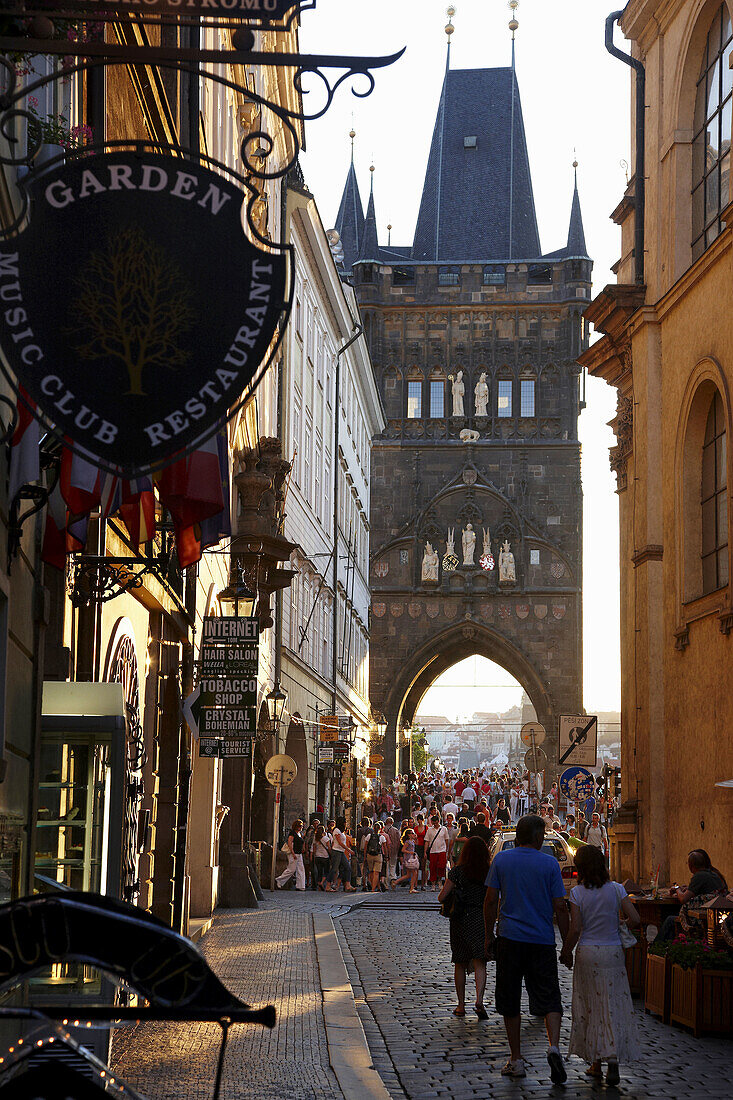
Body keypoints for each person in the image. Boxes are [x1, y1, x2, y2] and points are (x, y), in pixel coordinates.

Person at [484, 814, 570, 1083]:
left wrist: (488, 935)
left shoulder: (502, 860)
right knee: (550, 997)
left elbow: (490, 901)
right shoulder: (550, 864)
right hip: (542, 940)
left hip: (510, 938)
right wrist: (567, 944)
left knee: (510, 1000)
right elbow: (560, 906)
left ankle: (516, 1058)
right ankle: (553, 1046)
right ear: (537, 837)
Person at [561, 844, 641, 1086]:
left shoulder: (577, 893)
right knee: (612, 1004)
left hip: (588, 953)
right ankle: (612, 1059)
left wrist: (566, 952)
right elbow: (636, 919)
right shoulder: (617, 890)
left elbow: (575, 929)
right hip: (613, 953)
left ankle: (596, 1062)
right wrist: (621, 922)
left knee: (591, 1005)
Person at [439, 836, 491, 1019]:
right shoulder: (488, 871)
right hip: (480, 917)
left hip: (460, 918)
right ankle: (479, 1000)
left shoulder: (457, 872)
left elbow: (441, 896)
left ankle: (461, 1005)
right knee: (480, 960)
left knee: (460, 962)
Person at [325, 817, 355, 892]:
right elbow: (340, 842)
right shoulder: (336, 830)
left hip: (341, 852)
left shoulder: (341, 831)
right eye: (345, 822)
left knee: (347, 867)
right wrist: (348, 849)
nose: (346, 823)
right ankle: (328, 886)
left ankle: (348, 885)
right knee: (334, 869)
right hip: (336, 851)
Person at [276, 819, 306, 891]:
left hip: (299, 853)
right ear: (296, 826)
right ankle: (279, 880)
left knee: (301, 869)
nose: (301, 827)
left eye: (302, 826)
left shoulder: (300, 834)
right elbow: (290, 843)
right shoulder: (292, 833)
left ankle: (301, 886)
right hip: (294, 853)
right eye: (300, 826)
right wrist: (293, 853)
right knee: (291, 869)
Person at [362, 818, 388, 892]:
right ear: (380, 829)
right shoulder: (381, 837)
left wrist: (365, 855)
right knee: (376, 873)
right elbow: (385, 848)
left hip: (369, 855)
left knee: (371, 872)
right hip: (378, 855)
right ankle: (373, 888)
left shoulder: (369, 836)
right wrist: (386, 856)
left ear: (373, 828)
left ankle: (376, 886)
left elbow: (365, 847)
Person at [425, 814, 450, 890]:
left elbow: (446, 839)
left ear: (438, 821)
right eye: (433, 823)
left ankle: (439, 881)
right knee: (432, 868)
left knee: (441, 867)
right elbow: (427, 841)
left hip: (442, 850)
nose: (435, 824)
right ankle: (433, 884)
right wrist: (425, 852)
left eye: (436, 822)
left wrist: (446, 850)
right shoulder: (429, 830)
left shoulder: (444, 829)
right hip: (433, 851)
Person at [392, 828, 419, 892]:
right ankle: (412, 888)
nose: (414, 834)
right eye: (412, 833)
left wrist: (416, 838)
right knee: (414, 873)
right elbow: (403, 850)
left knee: (408, 875)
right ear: (409, 835)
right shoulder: (407, 842)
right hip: (409, 859)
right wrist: (410, 852)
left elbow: (417, 844)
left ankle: (395, 882)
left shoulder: (412, 841)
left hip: (410, 859)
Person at [313, 825, 331, 890]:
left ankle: (319, 886)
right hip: (325, 857)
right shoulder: (326, 839)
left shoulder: (315, 839)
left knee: (319, 872)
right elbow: (329, 848)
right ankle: (322, 882)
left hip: (317, 857)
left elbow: (314, 849)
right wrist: (331, 854)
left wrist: (314, 856)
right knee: (326, 871)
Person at [383, 816, 401, 883]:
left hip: (385, 850)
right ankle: (392, 878)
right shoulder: (396, 830)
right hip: (394, 850)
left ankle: (386, 879)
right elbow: (398, 841)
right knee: (393, 865)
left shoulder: (383, 829)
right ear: (392, 822)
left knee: (386, 865)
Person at [413, 813, 428, 890]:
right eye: (418, 821)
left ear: (423, 820)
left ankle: (423, 884)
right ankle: (415, 884)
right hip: (417, 847)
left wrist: (426, 851)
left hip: (423, 847)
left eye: (420, 820)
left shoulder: (426, 828)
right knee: (416, 866)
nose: (419, 822)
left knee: (423, 867)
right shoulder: (415, 828)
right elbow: (414, 838)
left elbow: (427, 839)